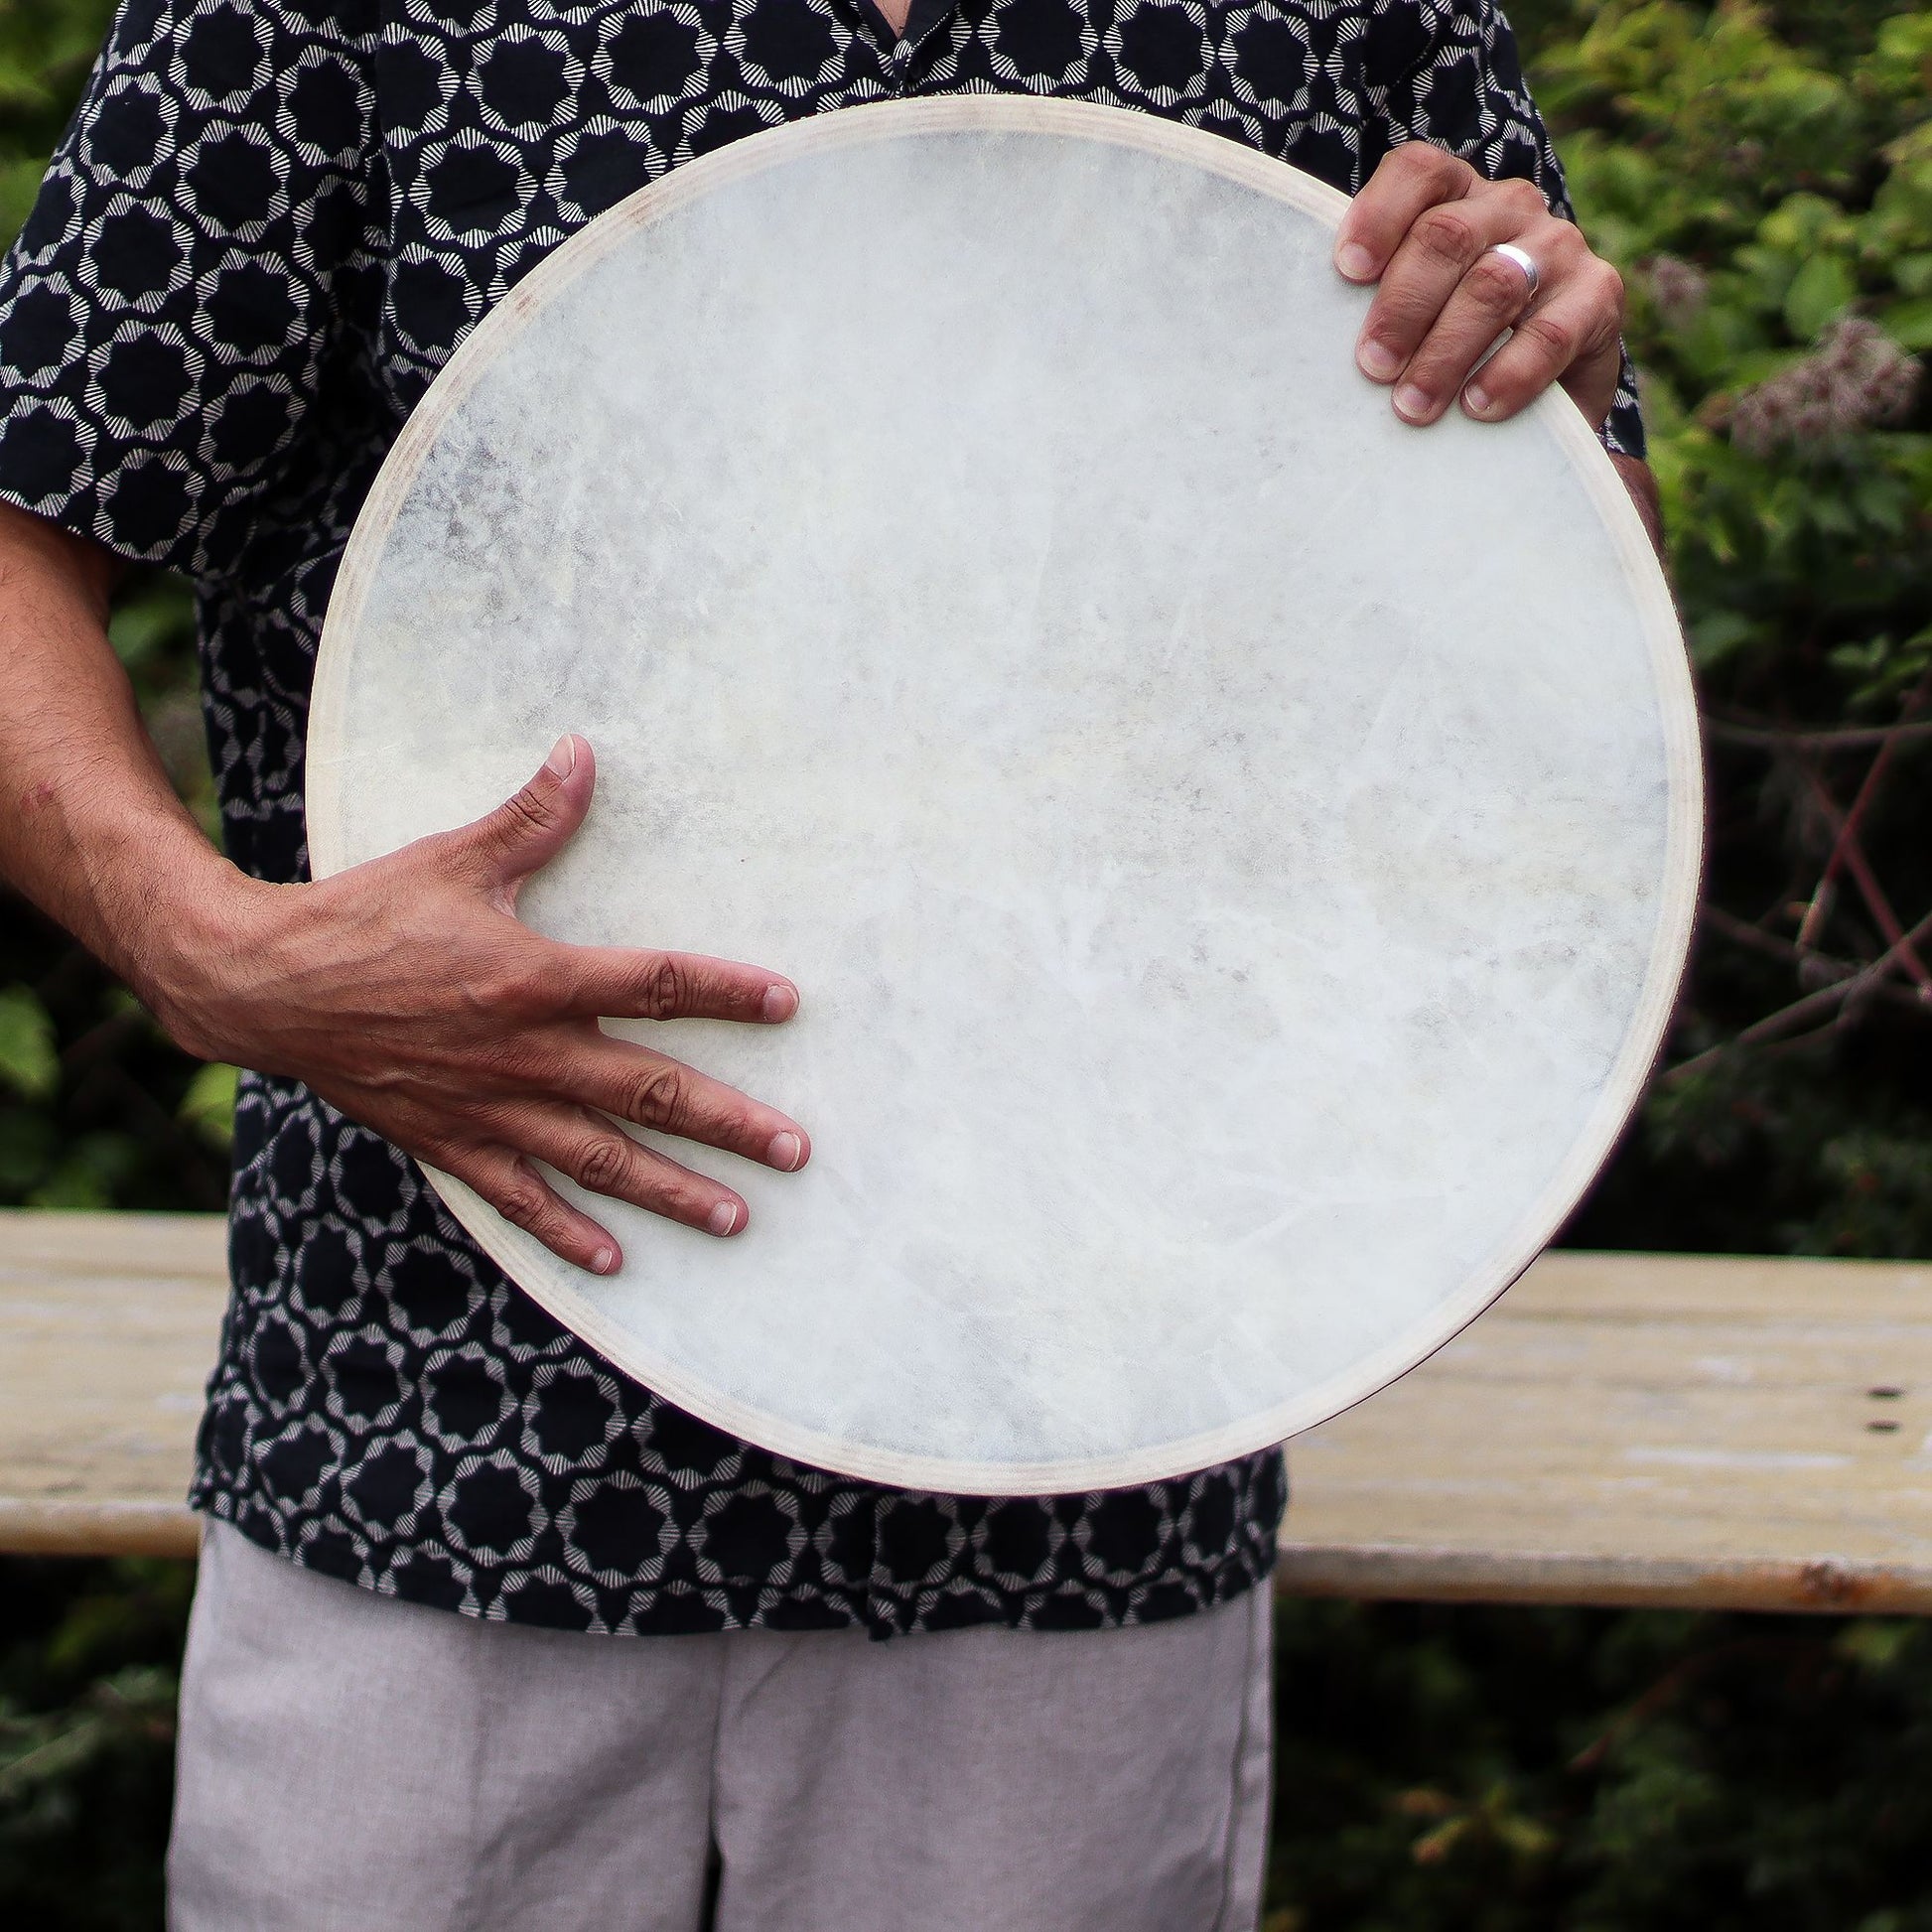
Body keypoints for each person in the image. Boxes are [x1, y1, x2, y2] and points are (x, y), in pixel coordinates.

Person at [0, 0, 1656, 1925]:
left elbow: (1563, 688)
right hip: (436, 1443)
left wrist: (1533, 364)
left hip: (1081, 1473)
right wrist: (215, 955)